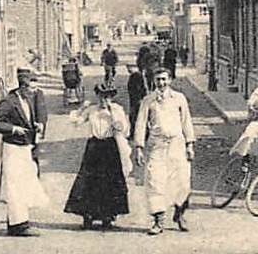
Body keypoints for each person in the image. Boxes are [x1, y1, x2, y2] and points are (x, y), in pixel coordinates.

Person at [0, 68, 50, 236]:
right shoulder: (9, 102)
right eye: (31, 88)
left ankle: (19, 222)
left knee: (25, 185)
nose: (34, 92)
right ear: (22, 87)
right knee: (14, 186)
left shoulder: (29, 99)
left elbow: (35, 115)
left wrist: (38, 125)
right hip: (12, 149)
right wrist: (13, 129)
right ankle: (18, 225)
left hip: (25, 149)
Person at [133, 69, 195, 235]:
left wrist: (190, 144)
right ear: (153, 81)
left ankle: (180, 215)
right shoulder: (148, 101)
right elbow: (140, 124)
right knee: (155, 180)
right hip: (157, 145)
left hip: (177, 144)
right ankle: (158, 221)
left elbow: (186, 121)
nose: (161, 83)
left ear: (170, 80)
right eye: (158, 80)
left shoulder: (179, 99)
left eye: (164, 79)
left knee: (181, 180)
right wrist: (139, 148)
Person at [64, 79, 131, 230]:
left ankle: (107, 216)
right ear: (97, 96)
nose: (104, 99)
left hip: (109, 146)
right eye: (101, 96)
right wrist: (82, 108)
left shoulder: (117, 110)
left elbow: (122, 129)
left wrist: (112, 113)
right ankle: (88, 216)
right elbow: (76, 122)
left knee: (109, 181)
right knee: (89, 181)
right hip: (94, 146)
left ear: (111, 97)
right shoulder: (92, 110)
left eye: (107, 96)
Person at [126, 64, 150, 136]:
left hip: (138, 100)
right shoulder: (135, 76)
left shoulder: (136, 76)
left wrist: (142, 99)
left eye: (130, 68)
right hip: (135, 100)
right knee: (136, 117)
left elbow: (143, 89)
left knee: (136, 117)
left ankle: (140, 133)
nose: (129, 70)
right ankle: (142, 133)